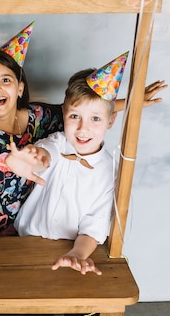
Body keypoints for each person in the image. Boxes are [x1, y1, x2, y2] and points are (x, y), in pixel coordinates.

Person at [0, 23, 167, 239]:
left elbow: (79, 109)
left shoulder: (39, 116)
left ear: (20, 88)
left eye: (5, 80)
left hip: (34, 231)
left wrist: (131, 102)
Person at [8, 53, 131, 276]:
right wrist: (30, 157)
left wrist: (77, 254)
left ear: (110, 121)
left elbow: (95, 224)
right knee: (35, 308)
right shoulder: (57, 142)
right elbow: (44, 156)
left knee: (76, 303)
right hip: (29, 244)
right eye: (75, 116)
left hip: (76, 250)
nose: (83, 128)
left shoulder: (110, 171)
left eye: (95, 119)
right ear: (64, 113)